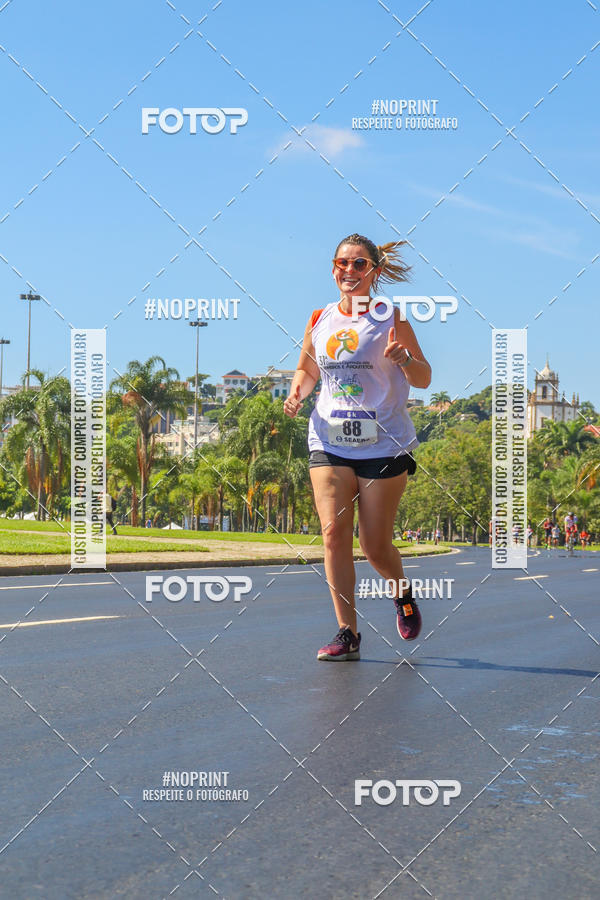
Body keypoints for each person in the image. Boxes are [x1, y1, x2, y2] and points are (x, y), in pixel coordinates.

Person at [283, 233, 431, 661]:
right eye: (342, 264)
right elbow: (307, 370)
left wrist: (405, 359)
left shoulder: (391, 318)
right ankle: (347, 632)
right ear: (333, 269)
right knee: (332, 535)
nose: (349, 271)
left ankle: (401, 592)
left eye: (359, 264)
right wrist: (297, 393)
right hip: (329, 438)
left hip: (383, 443)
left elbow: (423, 378)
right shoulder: (319, 318)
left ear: (375, 272)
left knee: (374, 546)